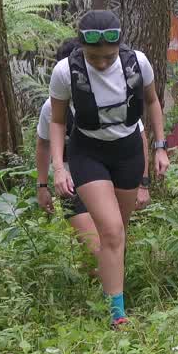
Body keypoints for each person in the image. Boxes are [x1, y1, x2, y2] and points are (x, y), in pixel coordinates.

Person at [49, 10, 170, 327]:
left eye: (108, 56)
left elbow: (153, 102)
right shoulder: (66, 72)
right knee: (112, 230)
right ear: (82, 48)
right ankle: (118, 315)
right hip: (88, 152)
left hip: (128, 151)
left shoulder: (138, 63)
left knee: (118, 234)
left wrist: (160, 147)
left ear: (119, 47)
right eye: (94, 57)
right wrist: (59, 169)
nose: (102, 63)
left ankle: (107, 286)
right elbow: (58, 121)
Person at [35, 40, 152, 259]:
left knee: (114, 239)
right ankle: (106, 287)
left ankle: (111, 288)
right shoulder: (52, 109)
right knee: (93, 246)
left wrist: (143, 183)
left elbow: (140, 136)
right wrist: (42, 185)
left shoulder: (114, 97)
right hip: (71, 183)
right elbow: (43, 144)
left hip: (112, 175)